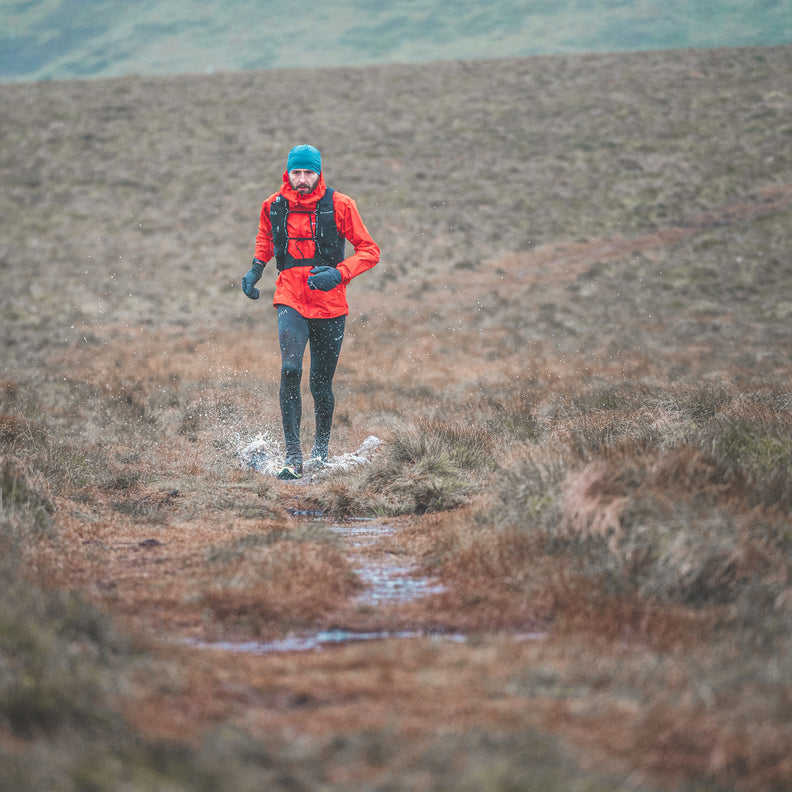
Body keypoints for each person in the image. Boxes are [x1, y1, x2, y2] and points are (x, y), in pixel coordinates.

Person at [241, 144, 380, 480]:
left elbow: (370, 250)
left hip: (331, 302)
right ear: (288, 173)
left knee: (320, 383)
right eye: (296, 172)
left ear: (319, 173)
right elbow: (266, 239)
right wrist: (257, 268)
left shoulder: (341, 205)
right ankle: (293, 456)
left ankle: (320, 451)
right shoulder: (273, 205)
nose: (302, 179)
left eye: (308, 172)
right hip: (289, 295)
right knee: (290, 369)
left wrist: (340, 272)